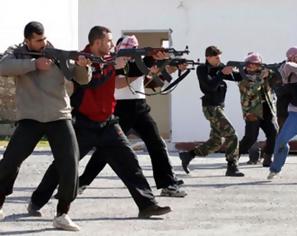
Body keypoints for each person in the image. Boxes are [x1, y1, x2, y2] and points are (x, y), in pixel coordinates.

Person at [29, 26, 171, 220]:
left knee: (130, 163)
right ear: (97, 43)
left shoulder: (111, 58)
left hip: (108, 123)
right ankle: (37, 200)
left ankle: (147, 205)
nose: (112, 45)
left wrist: (154, 58)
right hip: (83, 124)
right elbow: (90, 82)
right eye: (109, 41)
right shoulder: (80, 60)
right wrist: (112, 65)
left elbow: (135, 70)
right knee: (63, 165)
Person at [0, 21, 91, 231]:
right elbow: (3, 67)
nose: (43, 43)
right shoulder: (16, 52)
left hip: (59, 116)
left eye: (44, 39)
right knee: (10, 162)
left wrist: (82, 66)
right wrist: (34, 64)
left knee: (70, 165)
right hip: (30, 119)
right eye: (38, 40)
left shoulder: (57, 54)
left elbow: (82, 80)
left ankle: (62, 214)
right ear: (27, 40)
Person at [78, 35, 187, 197]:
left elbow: (150, 82)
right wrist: (144, 69)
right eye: (130, 48)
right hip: (122, 107)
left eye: (135, 48)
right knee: (105, 150)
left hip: (140, 106)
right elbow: (118, 83)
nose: (133, 51)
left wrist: (167, 67)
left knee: (156, 144)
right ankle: (81, 183)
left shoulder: (138, 62)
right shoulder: (113, 61)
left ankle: (168, 184)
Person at [179, 46, 244, 177]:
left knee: (216, 142)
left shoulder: (220, 68)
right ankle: (232, 166)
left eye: (220, 56)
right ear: (208, 57)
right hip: (211, 108)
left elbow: (238, 78)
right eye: (216, 57)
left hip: (219, 107)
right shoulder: (202, 69)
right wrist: (222, 73)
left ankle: (188, 155)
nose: (219, 59)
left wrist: (246, 70)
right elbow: (209, 87)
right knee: (232, 135)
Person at [268, 46, 297, 179]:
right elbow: (291, 67)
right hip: (295, 115)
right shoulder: (286, 68)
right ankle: (275, 169)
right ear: (291, 57)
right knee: (281, 141)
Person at [237, 53, 278, 167]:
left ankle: (267, 158)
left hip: (266, 110)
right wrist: (260, 79)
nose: (254, 67)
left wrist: (269, 72)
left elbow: (277, 78)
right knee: (250, 138)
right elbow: (250, 92)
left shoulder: (263, 74)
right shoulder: (243, 78)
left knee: (273, 133)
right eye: (252, 64)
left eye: (257, 64)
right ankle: (234, 156)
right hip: (252, 112)